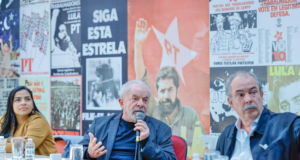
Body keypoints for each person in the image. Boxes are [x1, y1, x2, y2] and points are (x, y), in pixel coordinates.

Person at [134, 18, 206, 146]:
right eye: (162, 90)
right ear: (157, 91)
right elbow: (141, 78)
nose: (166, 96)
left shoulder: (190, 115)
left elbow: (203, 147)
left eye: (170, 89)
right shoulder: (152, 109)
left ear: (177, 90)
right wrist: (138, 45)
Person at [79, 80, 176, 160]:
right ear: (121, 103)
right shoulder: (99, 124)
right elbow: (76, 151)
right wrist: (88, 153)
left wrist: (146, 143)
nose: (141, 104)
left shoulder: (161, 129)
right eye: (135, 98)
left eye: (145, 100)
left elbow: (170, 158)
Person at [216, 71, 300, 160]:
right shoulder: (226, 136)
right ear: (231, 102)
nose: (248, 99)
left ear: (261, 94)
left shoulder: (287, 124)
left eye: (253, 92)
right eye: (241, 95)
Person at [0, 86, 57, 156]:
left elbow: (25, 147)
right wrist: (15, 141)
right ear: (11, 105)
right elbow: (18, 144)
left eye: (27, 99)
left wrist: (5, 141)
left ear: (32, 104)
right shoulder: (5, 119)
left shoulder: (38, 121)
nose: (23, 103)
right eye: (18, 100)